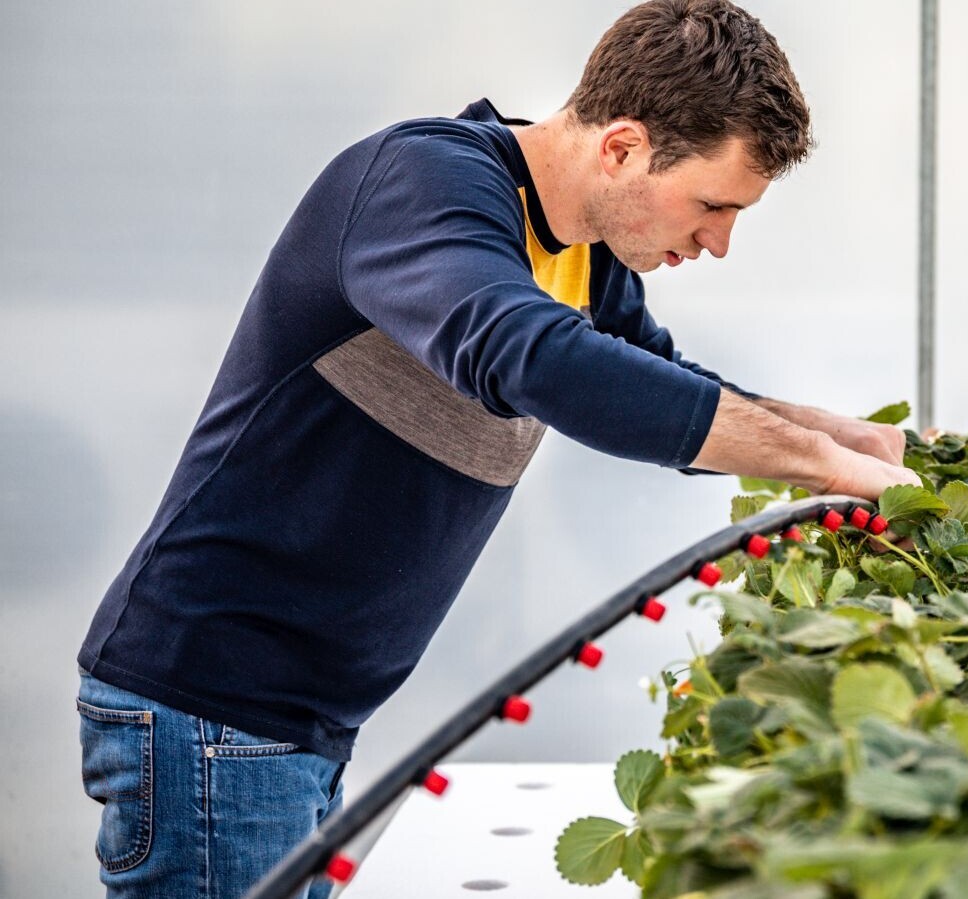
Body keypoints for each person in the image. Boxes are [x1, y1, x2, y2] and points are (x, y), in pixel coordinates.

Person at [73, 2, 918, 895]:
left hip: (293, 724)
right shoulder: (420, 184)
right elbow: (529, 355)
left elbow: (667, 385)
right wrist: (822, 467)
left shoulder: (583, 254)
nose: (718, 242)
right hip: (211, 709)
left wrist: (858, 440)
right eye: (713, 205)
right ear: (622, 147)